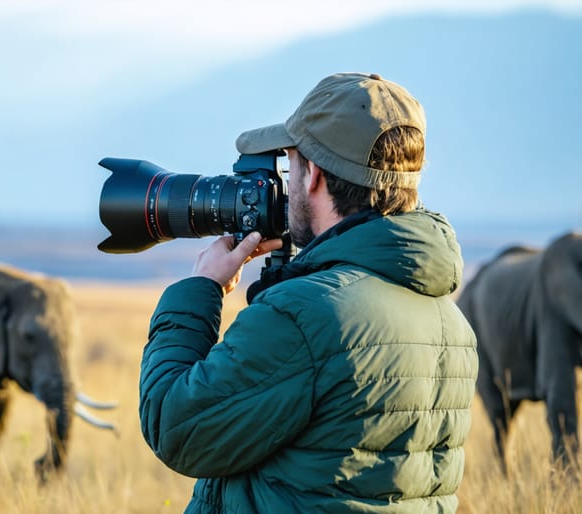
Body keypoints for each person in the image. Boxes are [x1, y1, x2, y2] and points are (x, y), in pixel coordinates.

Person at [138, 72, 478, 513]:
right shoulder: (448, 320)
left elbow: (175, 425)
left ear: (314, 174)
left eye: (291, 165)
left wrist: (200, 289)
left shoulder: (305, 316)